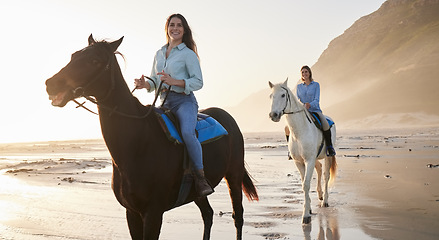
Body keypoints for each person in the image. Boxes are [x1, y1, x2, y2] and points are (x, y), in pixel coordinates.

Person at [134, 13, 213, 197]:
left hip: (184, 102)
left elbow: (198, 82)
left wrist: (174, 81)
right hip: (163, 102)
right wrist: (144, 84)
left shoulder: (188, 54)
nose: (175, 28)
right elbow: (155, 80)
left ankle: (200, 177)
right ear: (167, 28)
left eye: (179, 25)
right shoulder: (159, 53)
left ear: (184, 30)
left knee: (186, 132)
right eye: (172, 25)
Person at [296, 65, 336, 156]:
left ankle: (329, 147)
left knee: (325, 125)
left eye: (306, 72)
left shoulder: (316, 85)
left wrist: (309, 104)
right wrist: (302, 105)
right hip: (302, 111)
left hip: (315, 110)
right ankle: (292, 151)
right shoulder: (299, 87)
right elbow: (297, 99)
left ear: (309, 73)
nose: (304, 74)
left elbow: (317, 100)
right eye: (302, 72)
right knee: (288, 128)